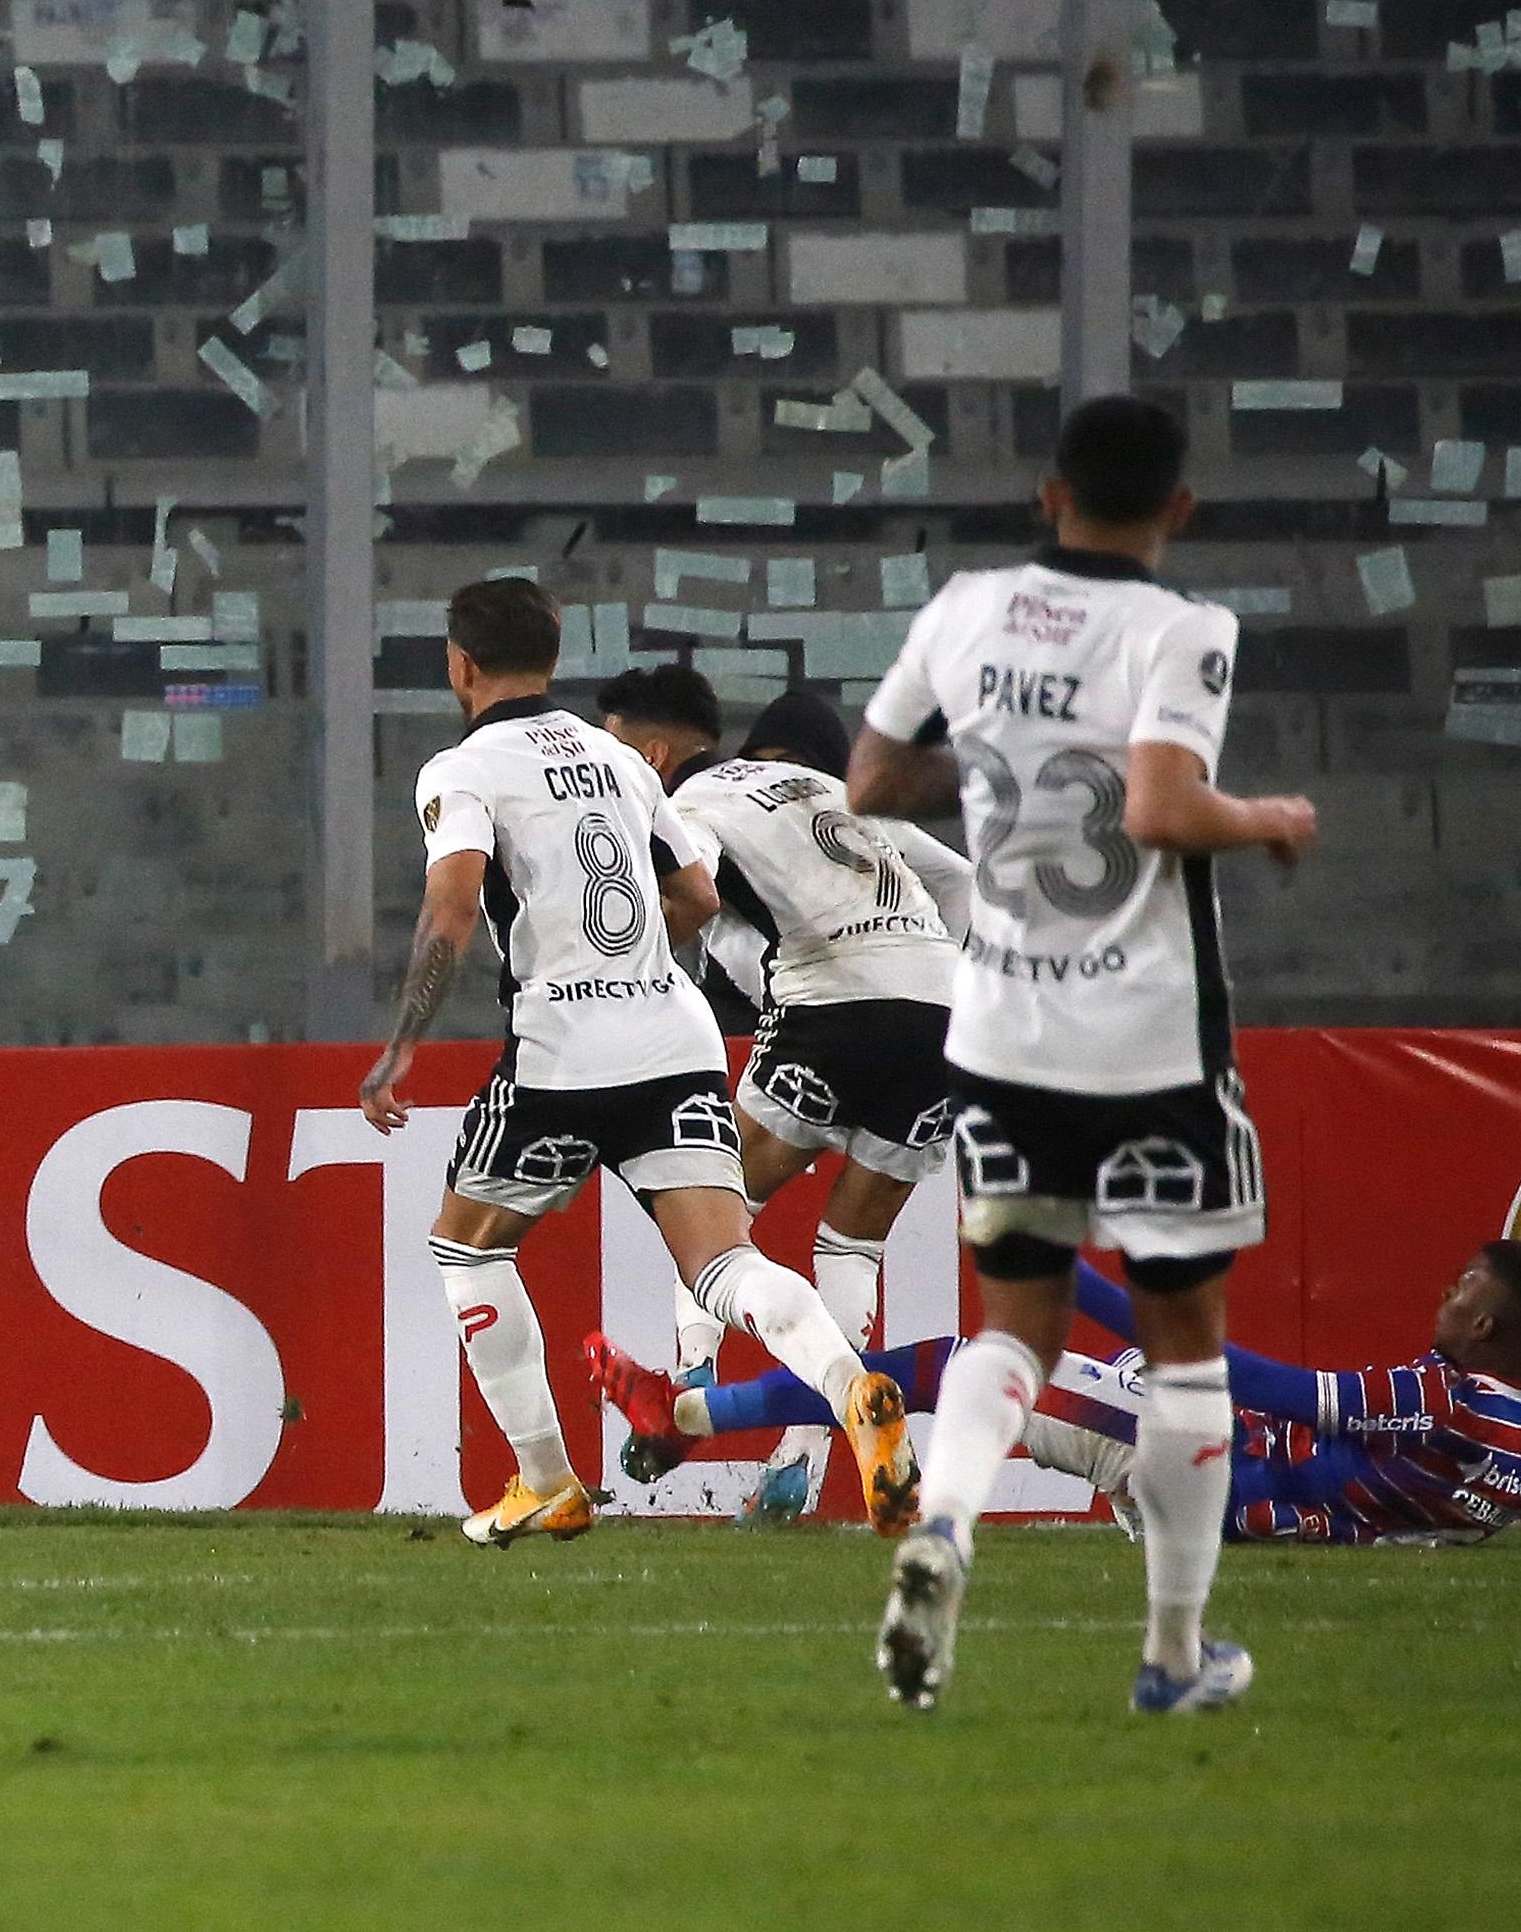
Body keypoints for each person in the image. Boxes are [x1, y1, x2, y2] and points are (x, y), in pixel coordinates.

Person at [843, 394, 1318, 1713]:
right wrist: (1265, 813)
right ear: (1179, 509)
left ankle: (943, 1525)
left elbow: (870, 784)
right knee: (1183, 1342)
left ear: (1048, 495)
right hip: (1148, 1043)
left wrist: (996, 775)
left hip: (998, 1034)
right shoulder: (1182, 630)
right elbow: (1164, 807)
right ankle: (1173, 1655)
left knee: (1019, 1326)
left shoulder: (962, 609)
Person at [357, 580, 919, 1548]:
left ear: (457, 665)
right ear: (553, 650)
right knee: (724, 1263)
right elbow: (696, 895)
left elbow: (451, 906)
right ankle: (850, 1391)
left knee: (465, 1245)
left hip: (562, 1047)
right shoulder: (619, 761)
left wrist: (400, 1044)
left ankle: (545, 1480)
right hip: (673, 1035)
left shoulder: (461, 769)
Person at [594, 663, 974, 1523]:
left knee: (708, 1200)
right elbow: (961, 880)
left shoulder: (692, 803)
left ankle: (687, 1389)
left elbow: (695, 897)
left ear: (656, 757)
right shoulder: (840, 795)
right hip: (942, 1006)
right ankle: (798, 1467)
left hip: (831, 998)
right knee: (852, 1246)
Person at [592, 1241, 1521, 1550]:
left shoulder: (1443, 1397)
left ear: (1488, 1330)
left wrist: (1095, 1292)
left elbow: (1280, 1391)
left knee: (962, 1365)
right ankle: (683, 1422)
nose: (1443, 1292)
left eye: (1462, 1290)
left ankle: (686, 1416)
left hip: (1196, 1464)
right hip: (1226, 1496)